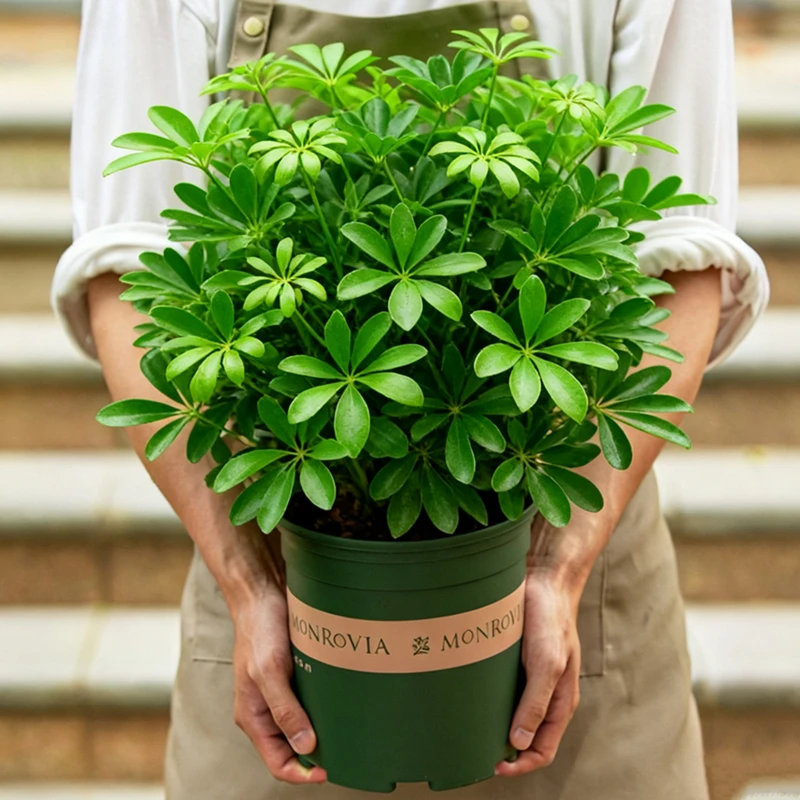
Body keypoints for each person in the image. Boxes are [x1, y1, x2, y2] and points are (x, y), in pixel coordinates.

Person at [52, 1, 769, 798]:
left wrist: (559, 565)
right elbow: (131, 275)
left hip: (570, 525)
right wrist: (248, 580)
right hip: (280, 563)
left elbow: (685, 259)